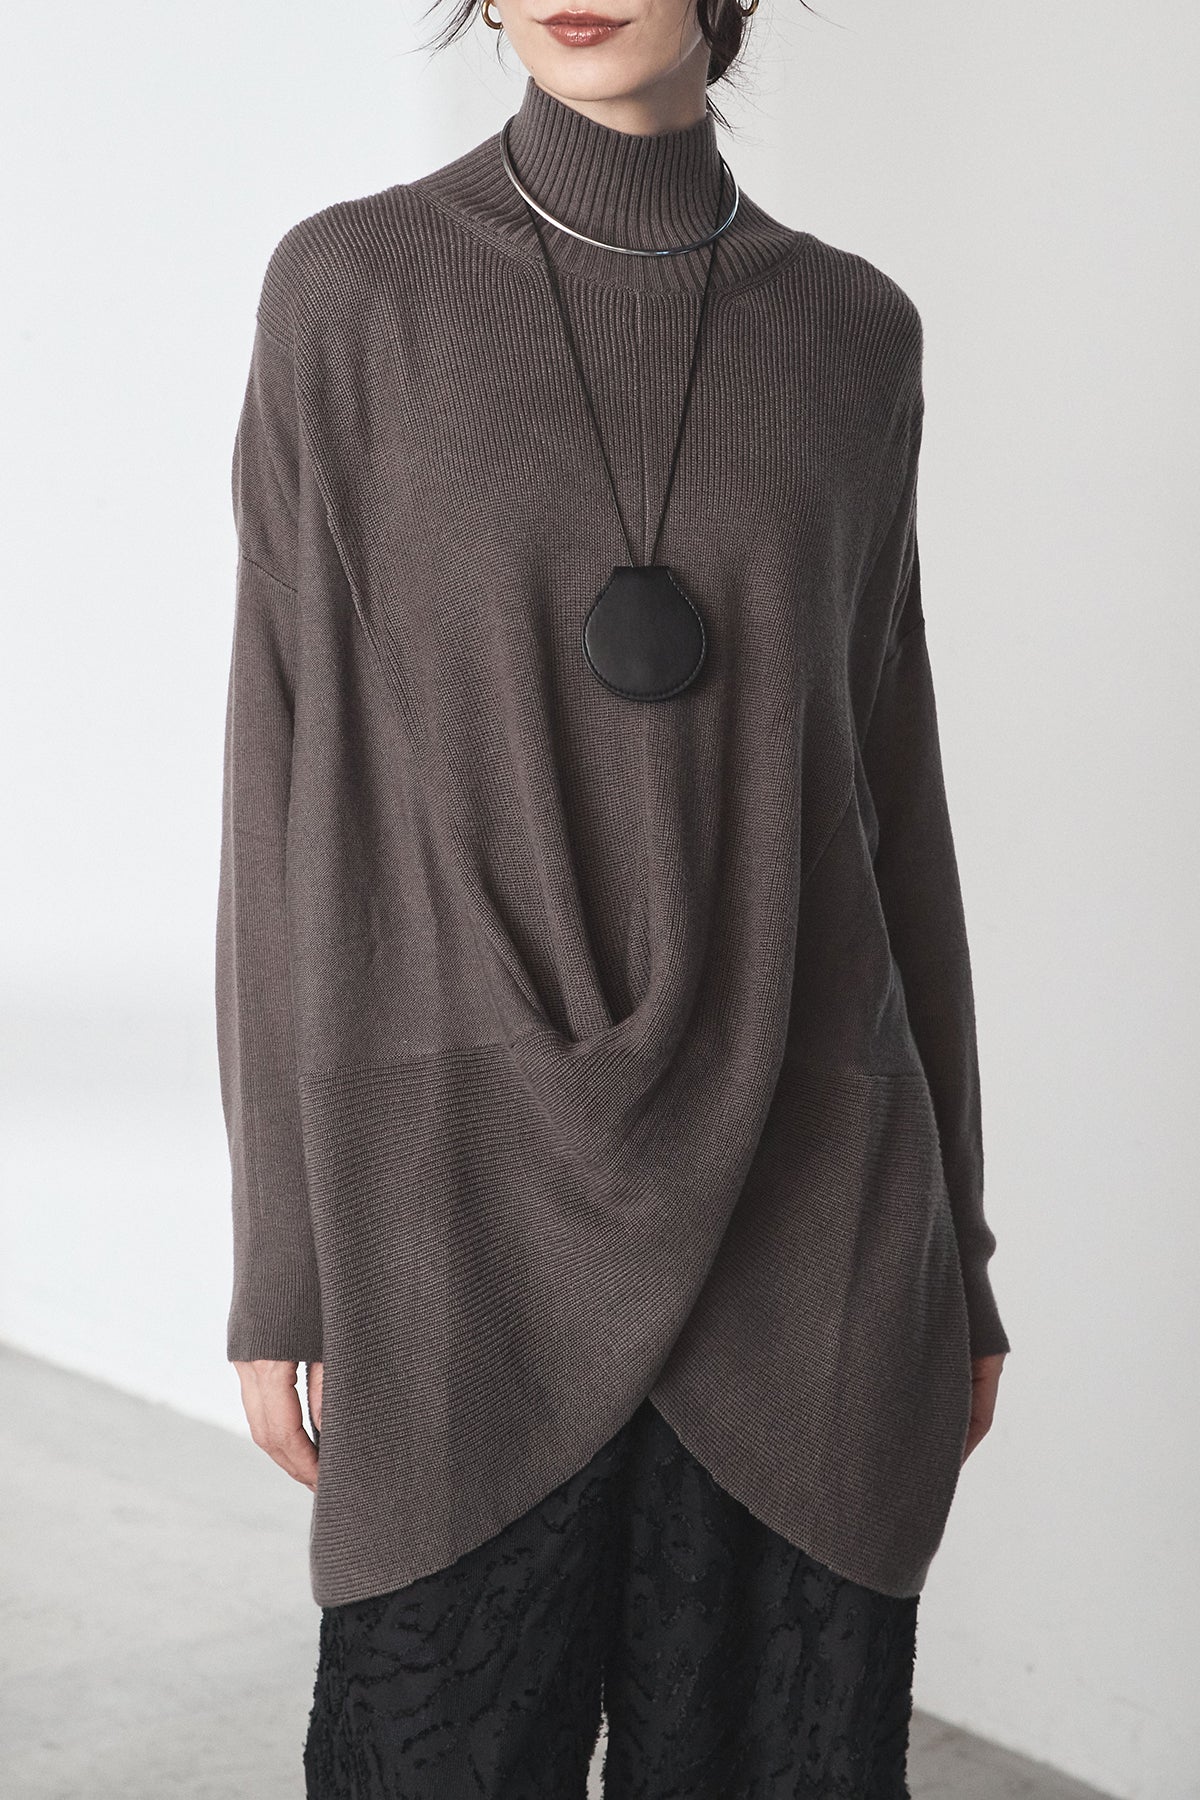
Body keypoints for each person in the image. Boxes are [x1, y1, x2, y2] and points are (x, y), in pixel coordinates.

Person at [215, 2, 1011, 1794]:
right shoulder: (354, 293)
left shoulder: (852, 335)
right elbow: (281, 782)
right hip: (457, 1213)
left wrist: (958, 1260)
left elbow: (892, 800)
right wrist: (282, 1259)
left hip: (806, 1214)